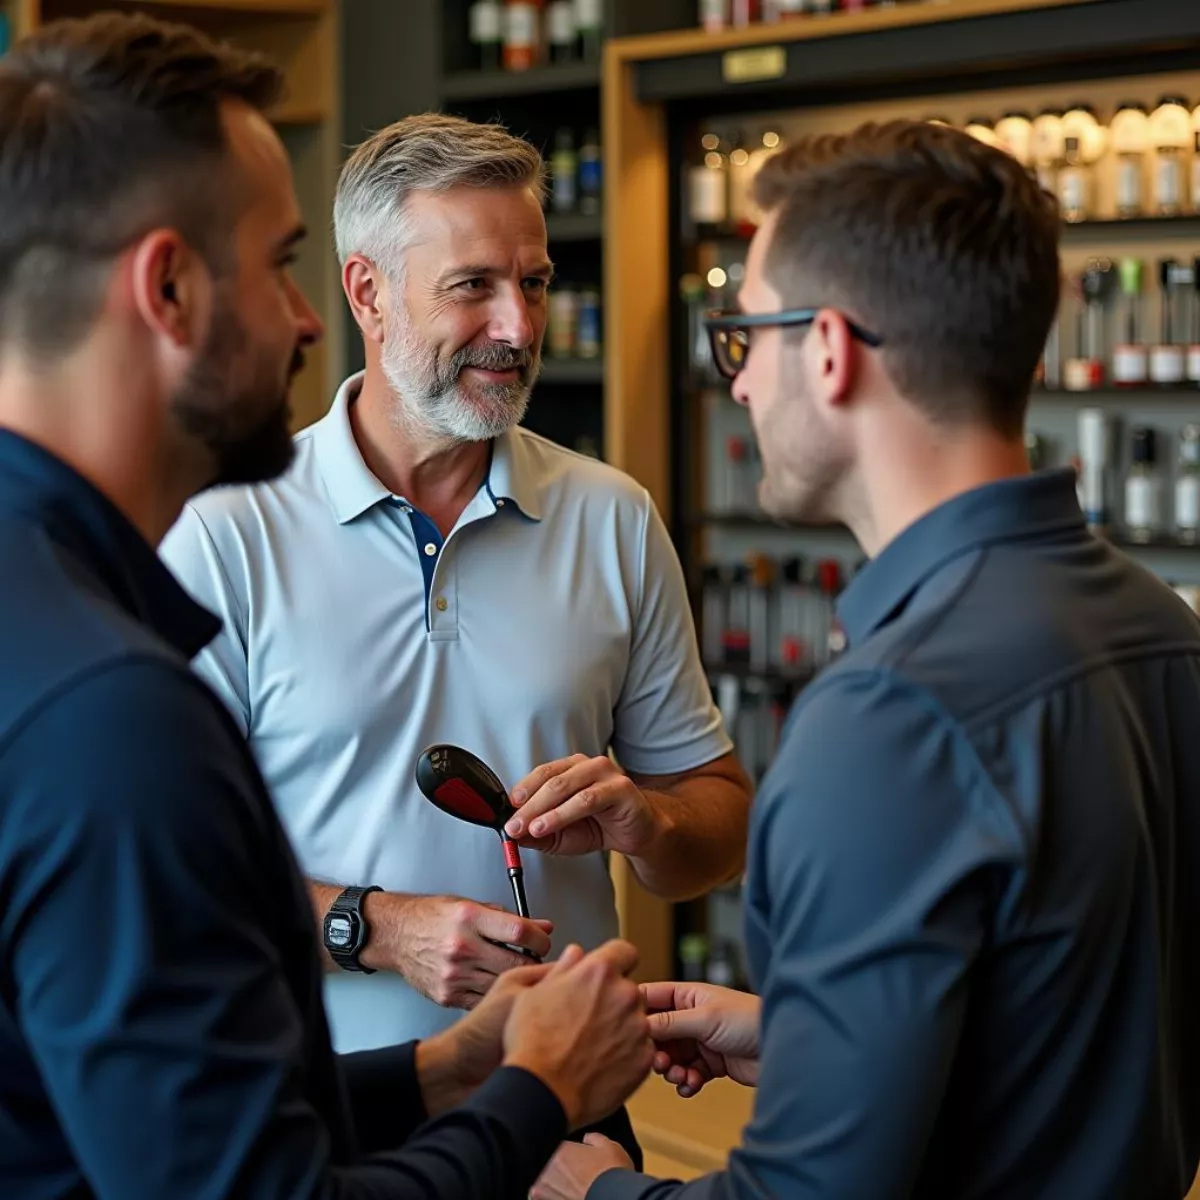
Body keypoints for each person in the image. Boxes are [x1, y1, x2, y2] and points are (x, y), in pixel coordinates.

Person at [0, 14, 654, 1199]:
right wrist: (535, 1098)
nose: (307, 323)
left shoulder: (41, 615)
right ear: (171, 290)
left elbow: (172, 1125)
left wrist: (448, 1072)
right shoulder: (111, 711)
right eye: (280, 262)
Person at [532, 121, 1200, 1198]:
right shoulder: (1155, 625)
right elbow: (1072, 1037)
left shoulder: (890, 716)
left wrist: (601, 1193)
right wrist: (806, 1042)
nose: (740, 386)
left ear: (831, 349)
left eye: (746, 337)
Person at [160, 113, 751, 1073]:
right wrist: (378, 929)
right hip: (319, 1112)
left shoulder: (612, 518)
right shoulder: (227, 530)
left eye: (534, 283)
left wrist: (654, 821)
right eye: (473, 286)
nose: (517, 327)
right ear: (369, 292)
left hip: (565, 1107)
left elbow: (715, 825)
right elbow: (164, 872)